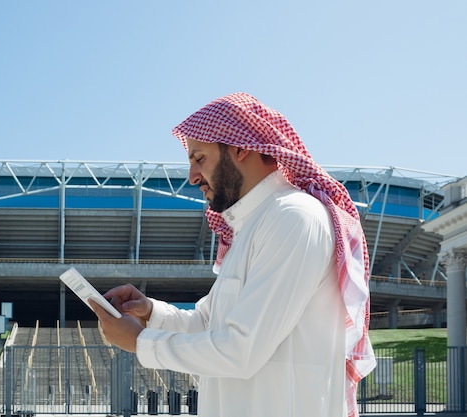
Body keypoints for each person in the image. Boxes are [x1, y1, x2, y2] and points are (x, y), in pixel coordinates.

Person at [89, 92, 376, 417]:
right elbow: (208, 324)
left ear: (240, 147)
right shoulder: (254, 227)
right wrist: (150, 312)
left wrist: (141, 343)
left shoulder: (293, 217)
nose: (192, 177)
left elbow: (242, 349)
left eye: (200, 159)